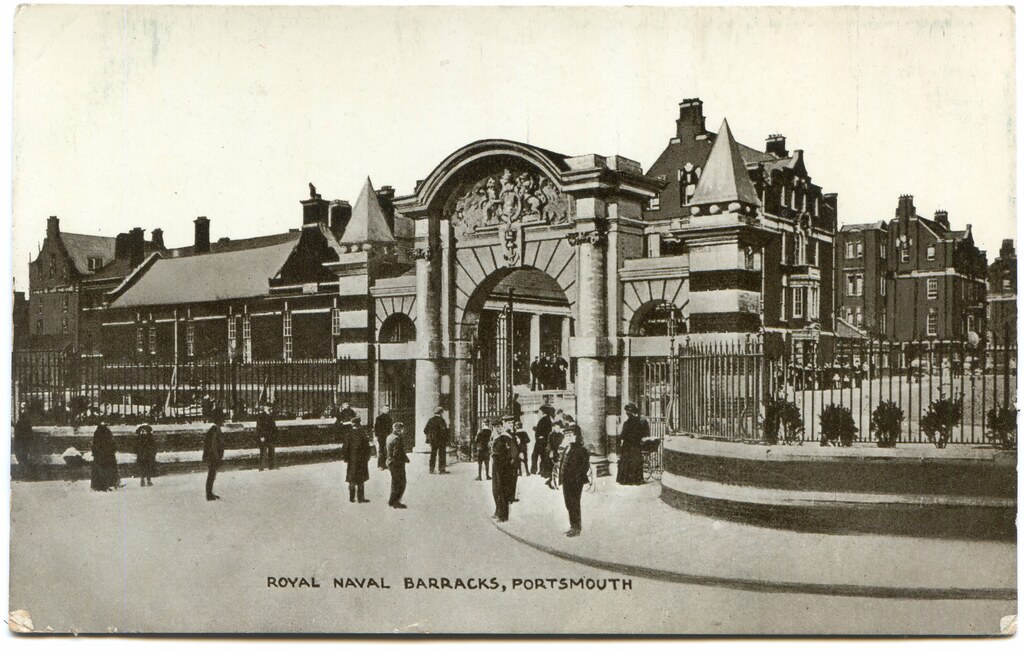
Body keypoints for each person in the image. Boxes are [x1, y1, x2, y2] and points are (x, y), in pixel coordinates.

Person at [561, 424, 591, 537]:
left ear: (576, 436)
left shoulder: (580, 450)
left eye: (570, 435)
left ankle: (576, 528)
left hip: (575, 481)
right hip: (566, 480)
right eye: (566, 435)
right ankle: (572, 526)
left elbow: (584, 466)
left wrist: (577, 478)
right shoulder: (567, 448)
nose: (568, 437)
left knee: (574, 504)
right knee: (569, 503)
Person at [489, 417, 516, 522]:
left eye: (499, 426)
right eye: (495, 427)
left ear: (502, 426)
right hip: (496, 465)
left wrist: (509, 463)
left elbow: (513, 452)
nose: (498, 428)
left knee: (502, 490)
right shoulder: (495, 437)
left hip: (504, 466)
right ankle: (498, 511)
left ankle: (503, 516)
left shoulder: (506, 437)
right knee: (495, 490)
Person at [341, 416, 372, 503]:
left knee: (352, 479)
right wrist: (367, 457)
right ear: (359, 424)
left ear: (352, 425)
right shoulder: (362, 434)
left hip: (352, 460)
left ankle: (351, 498)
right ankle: (360, 498)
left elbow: (345, 448)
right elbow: (367, 448)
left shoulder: (348, 435)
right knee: (361, 480)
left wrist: (345, 458)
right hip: (362, 460)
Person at [616, 403, 648, 486]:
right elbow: (644, 433)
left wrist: (619, 437)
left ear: (628, 413)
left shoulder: (627, 423)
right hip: (636, 445)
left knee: (627, 461)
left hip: (627, 446)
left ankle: (626, 480)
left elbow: (623, 435)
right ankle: (637, 480)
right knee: (636, 461)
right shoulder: (640, 422)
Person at [90, 420, 121, 492]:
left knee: (102, 470)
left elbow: (95, 445)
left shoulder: (98, 432)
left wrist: (95, 452)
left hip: (102, 456)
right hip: (106, 455)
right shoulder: (105, 432)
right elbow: (112, 443)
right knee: (106, 470)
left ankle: (101, 485)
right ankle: (107, 485)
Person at [203, 410, 226, 501]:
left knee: (212, 475)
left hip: (212, 456)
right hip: (212, 457)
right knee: (211, 475)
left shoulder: (214, 429)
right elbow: (213, 445)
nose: (223, 421)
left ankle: (210, 493)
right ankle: (209, 495)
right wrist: (217, 457)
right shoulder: (214, 430)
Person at [386, 422, 409, 508]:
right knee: (401, 482)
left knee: (395, 482)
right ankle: (396, 502)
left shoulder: (389, 436)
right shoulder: (397, 438)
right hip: (397, 463)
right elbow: (397, 452)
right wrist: (405, 459)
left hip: (391, 462)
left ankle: (391, 501)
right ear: (400, 429)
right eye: (402, 429)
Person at [424, 407, 449, 475]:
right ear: (440, 412)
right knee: (442, 454)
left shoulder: (430, 420)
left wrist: (430, 436)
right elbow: (443, 431)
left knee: (433, 454)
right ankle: (442, 470)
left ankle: (431, 469)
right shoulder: (441, 420)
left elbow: (425, 430)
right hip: (441, 440)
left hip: (433, 440)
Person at [532, 405, 554, 476]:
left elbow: (544, 430)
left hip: (540, 441)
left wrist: (540, 435)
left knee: (535, 455)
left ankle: (535, 470)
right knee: (542, 456)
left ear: (543, 412)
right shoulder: (547, 419)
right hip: (542, 441)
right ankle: (541, 470)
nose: (538, 413)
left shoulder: (543, 419)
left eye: (539, 412)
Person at [13, 403, 34, 477]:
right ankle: (22, 471)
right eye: (22, 408)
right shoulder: (17, 417)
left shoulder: (27, 418)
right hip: (19, 439)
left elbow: (29, 429)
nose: (23, 410)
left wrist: (30, 438)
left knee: (25, 455)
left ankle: (24, 471)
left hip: (25, 439)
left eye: (25, 408)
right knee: (19, 454)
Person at [256, 402, 278, 471]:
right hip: (264, 436)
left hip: (271, 436)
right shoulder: (261, 416)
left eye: (270, 406)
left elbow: (274, 426)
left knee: (271, 451)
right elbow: (259, 427)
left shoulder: (271, 415)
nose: (269, 407)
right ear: (265, 407)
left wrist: (275, 434)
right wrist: (261, 436)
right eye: (268, 406)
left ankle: (271, 466)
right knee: (263, 452)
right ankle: (261, 467)